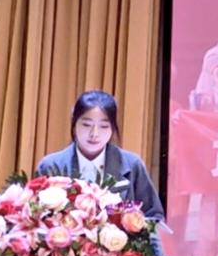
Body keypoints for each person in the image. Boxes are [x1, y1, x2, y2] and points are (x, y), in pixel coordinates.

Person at [37, 90, 165, 221]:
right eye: (86, 125)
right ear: (74, 123)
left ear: (113, 128)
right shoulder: (50, 166)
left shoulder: (132, 165)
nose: (94, 134)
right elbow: (34, 216)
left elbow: (155, 218)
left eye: (103, 126)